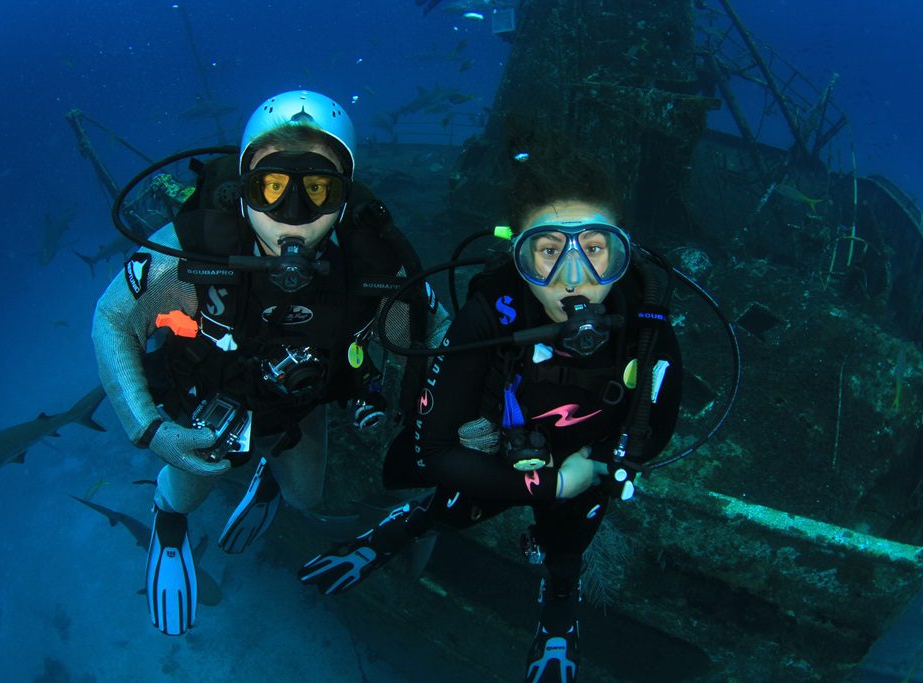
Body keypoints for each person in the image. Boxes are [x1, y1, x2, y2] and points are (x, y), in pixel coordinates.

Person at [299, 147, 683, 682]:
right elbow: (432, 450)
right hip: (505, 449)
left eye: (596, 249)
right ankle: (410, 522)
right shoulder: (491, 312)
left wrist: (590, 468)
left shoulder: (646, 315)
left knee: (568, 541)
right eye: (548, 252)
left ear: (622, 254)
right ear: (518, 260)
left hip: (589, 459)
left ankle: (559, 607)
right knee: (454, 507)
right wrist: (547, 482)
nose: (575, 278)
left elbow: (653, 433)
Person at [92, 90, 448, 636]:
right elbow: (114, 319)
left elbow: (436, 334)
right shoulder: (192, 252)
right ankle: (168, 525)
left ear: (345, 198)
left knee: (308, 496)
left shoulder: (373, 264)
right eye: (274, 187)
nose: (294, 216)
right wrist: (151, 429)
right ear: (243, 188)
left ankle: (269, 479)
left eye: (318, 190)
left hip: (305, 402)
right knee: (187, 486)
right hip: (216, 404)